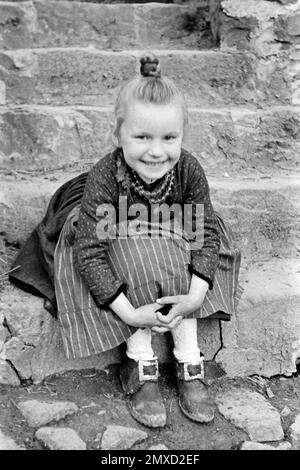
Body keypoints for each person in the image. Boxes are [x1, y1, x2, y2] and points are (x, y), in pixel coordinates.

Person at [11, 53, 242, 429]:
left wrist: (197, 295)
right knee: (136, 257)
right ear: (118, 135)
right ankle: (139, 358)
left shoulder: (188, 170)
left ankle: (188, 356)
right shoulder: (107, 176)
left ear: (183, 135)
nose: (156, 151)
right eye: (141, 137)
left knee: (187, 254)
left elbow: (204, 235)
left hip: (172, 238)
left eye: (169, 138)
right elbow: (89, 252)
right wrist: (132, 315)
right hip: (116, 236)